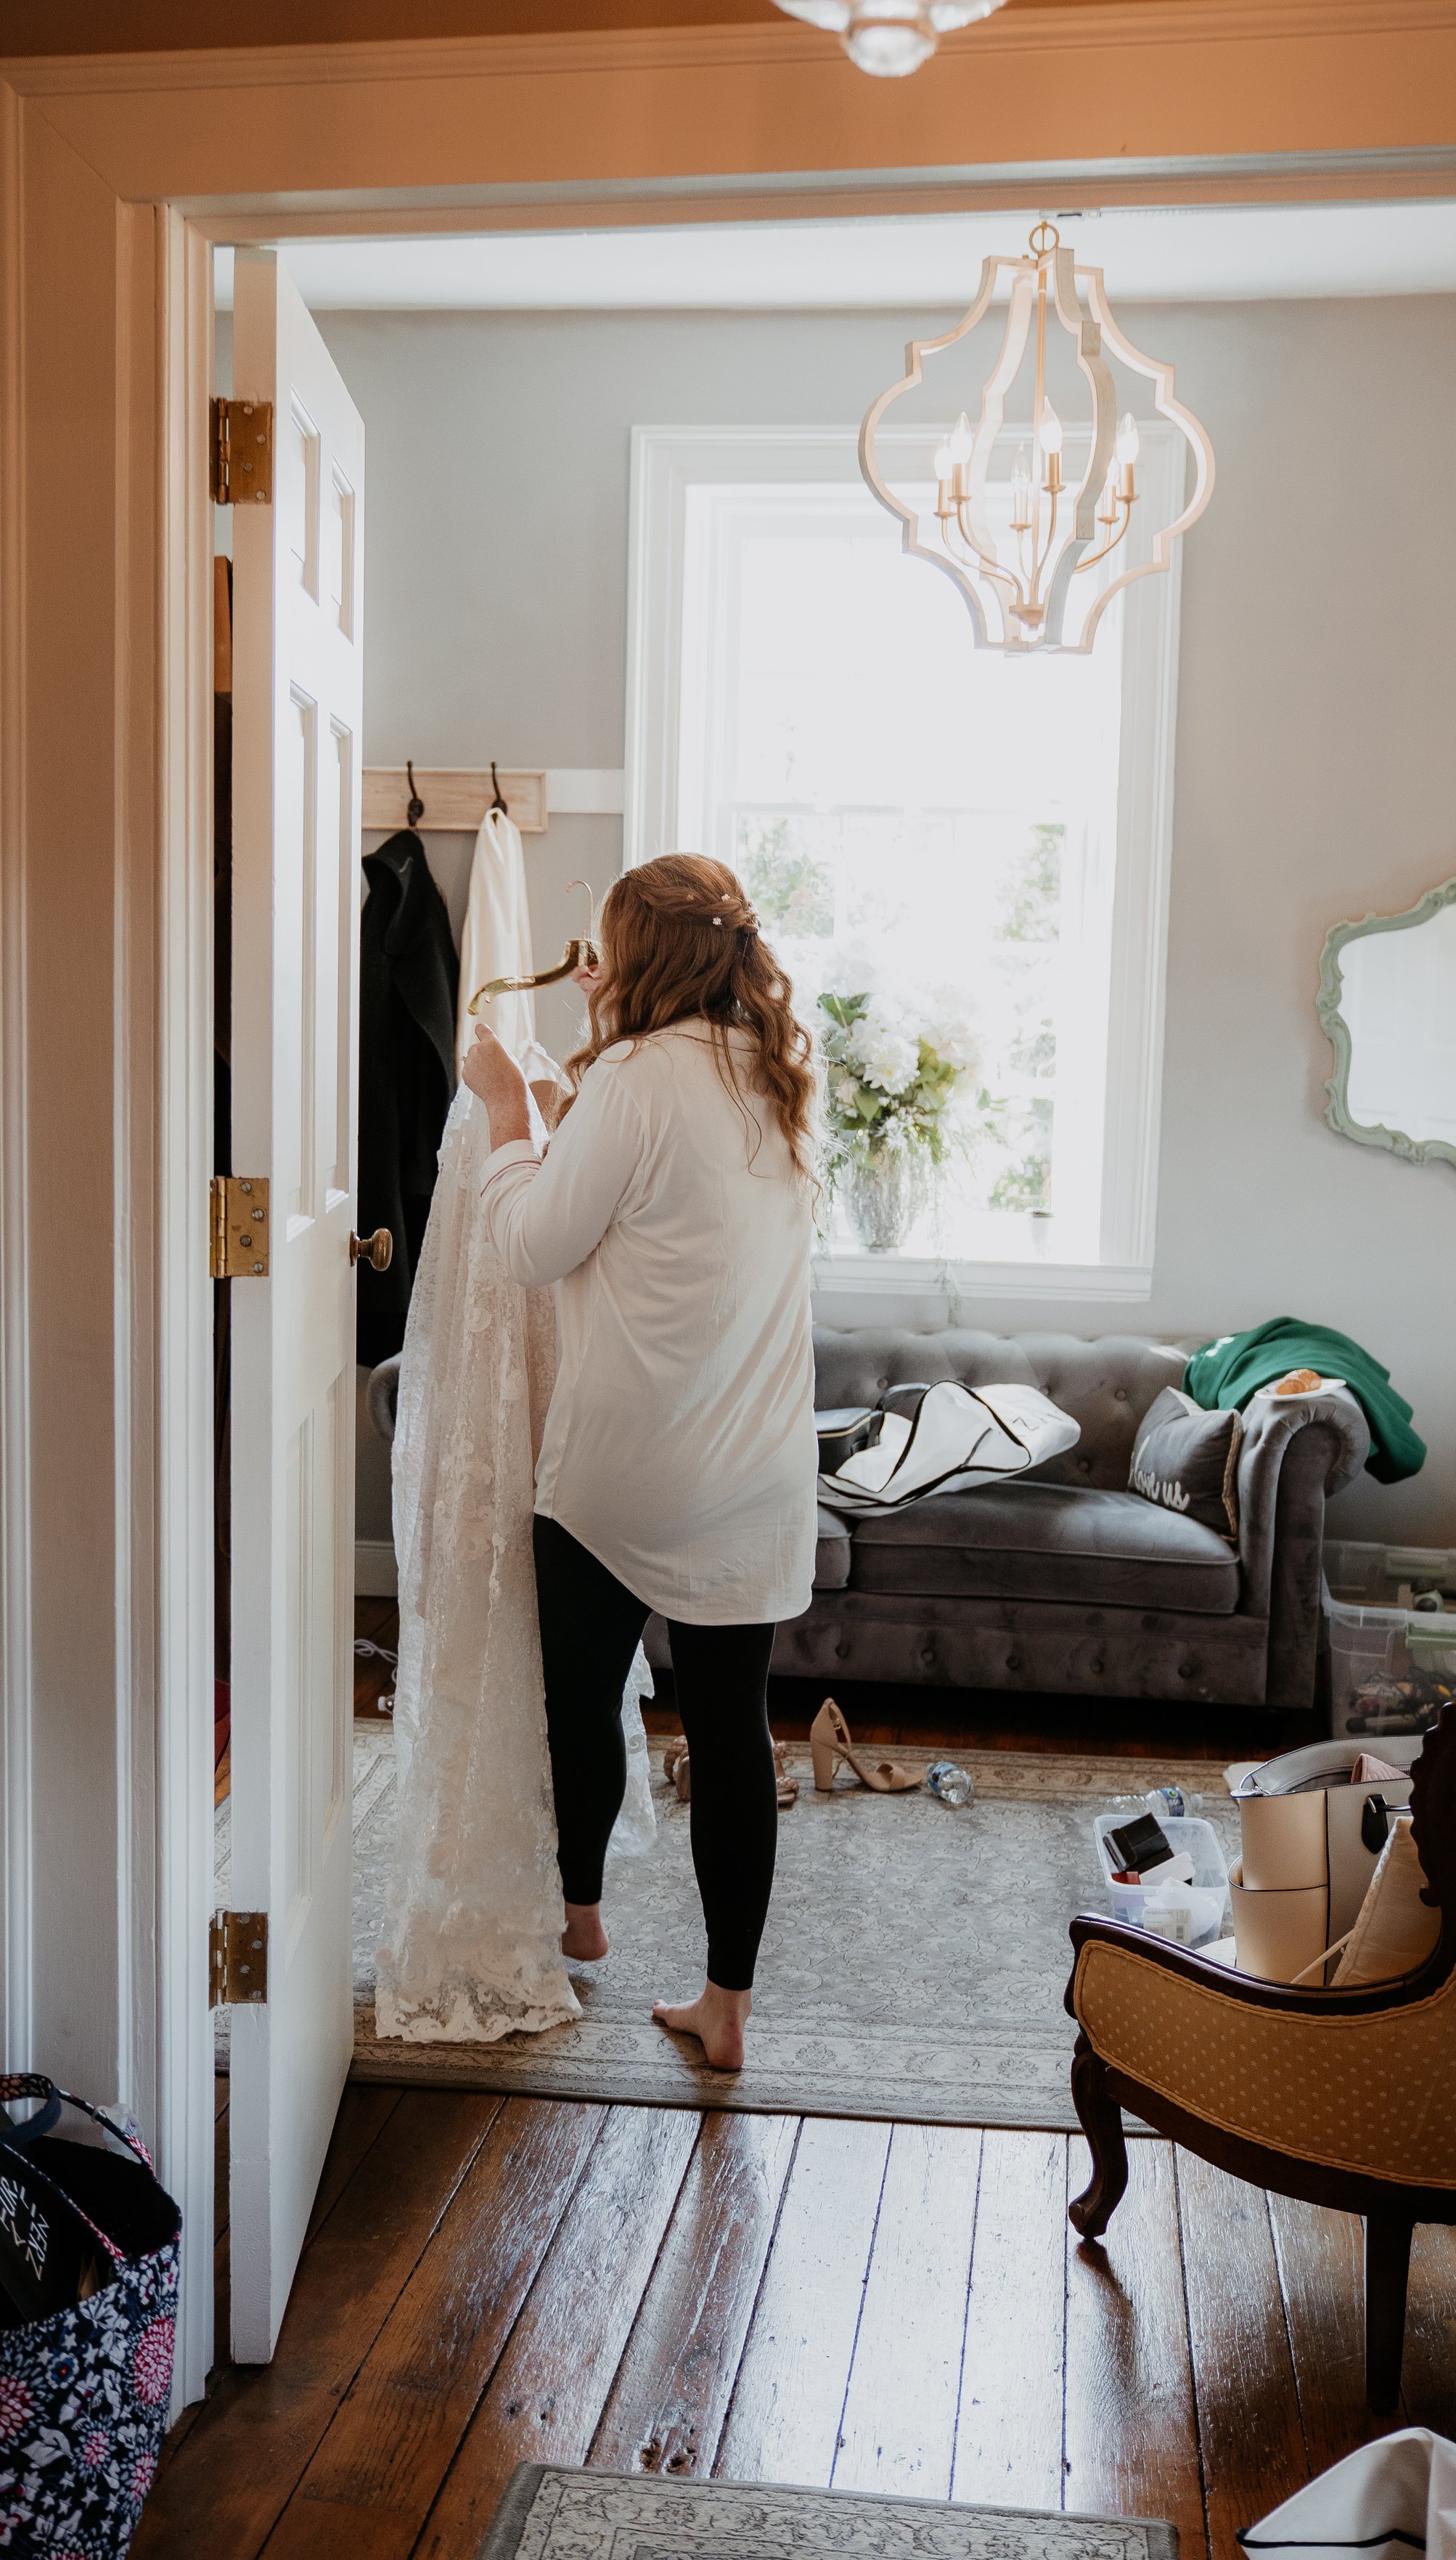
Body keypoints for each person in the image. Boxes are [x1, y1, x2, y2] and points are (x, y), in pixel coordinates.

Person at [461, 851, 817, 2071]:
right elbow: (669, 1219)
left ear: (643, 956)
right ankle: (727, 2007)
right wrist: (567, 1128)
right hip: (757, 1470)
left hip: (628, 1469)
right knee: (734, 1736)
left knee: (580, 1701)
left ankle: (583, 1912)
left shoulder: (636, 1076)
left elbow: (532, 1243)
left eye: (606, 942)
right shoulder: (776, 1073)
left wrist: (513, 1117)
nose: (593, 964)